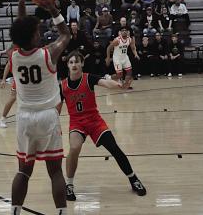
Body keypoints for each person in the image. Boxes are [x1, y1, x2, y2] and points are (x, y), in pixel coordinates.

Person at [8, 0, 71, 215]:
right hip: (47, 117)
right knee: (55, 171)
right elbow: (65, 34)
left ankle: (15, 211)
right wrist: (53, 10)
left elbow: (20, 29)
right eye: (37, 31)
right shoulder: (49, 54)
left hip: (24, 118)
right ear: (34, 37)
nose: (39, 32)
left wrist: (21, 3)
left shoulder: (14, 55)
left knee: (23, 170)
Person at [59, 51, 147, 201]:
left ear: (82, 64)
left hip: (94, 121)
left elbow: (105, 82)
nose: (74, 65)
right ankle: (69, 185)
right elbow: (58, 107)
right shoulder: (63, 85)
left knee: (114, 148)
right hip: (77, 122)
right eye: (71, 62)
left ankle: (133, 179)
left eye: (77, 62)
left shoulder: (88, 78)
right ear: (67, 65)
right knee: (74, 148)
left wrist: (119, 85)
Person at [0, 44, 17, 128]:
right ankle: (2, 119)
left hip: (25, 79)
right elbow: (8, 65)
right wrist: (3, 79)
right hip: (19, 79)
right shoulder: (15, 54)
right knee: (13, 98)